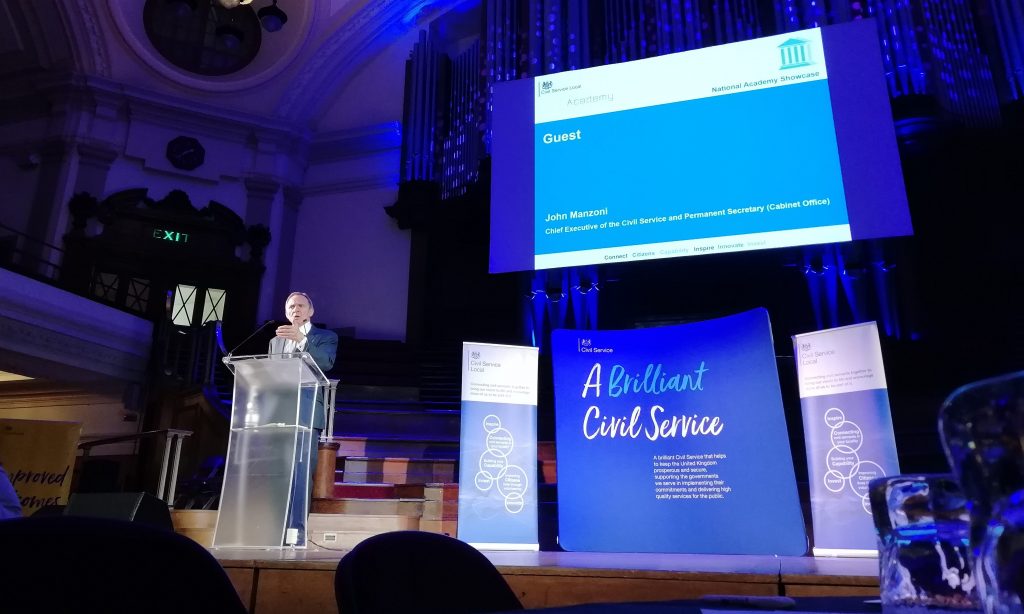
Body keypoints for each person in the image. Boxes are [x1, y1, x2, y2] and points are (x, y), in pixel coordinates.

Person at [268, 291, 338, 544]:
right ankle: (274, 529)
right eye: (290, 306)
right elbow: (271, 375)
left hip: (307, 413)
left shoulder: (325, 337)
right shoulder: (276, 341)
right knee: (278, 472)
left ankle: (295, 533)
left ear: (311, 311)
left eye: (300, 305)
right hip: (280, 414)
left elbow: (326, 364)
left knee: (300, 474)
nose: (295, 310)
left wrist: (301, 341)